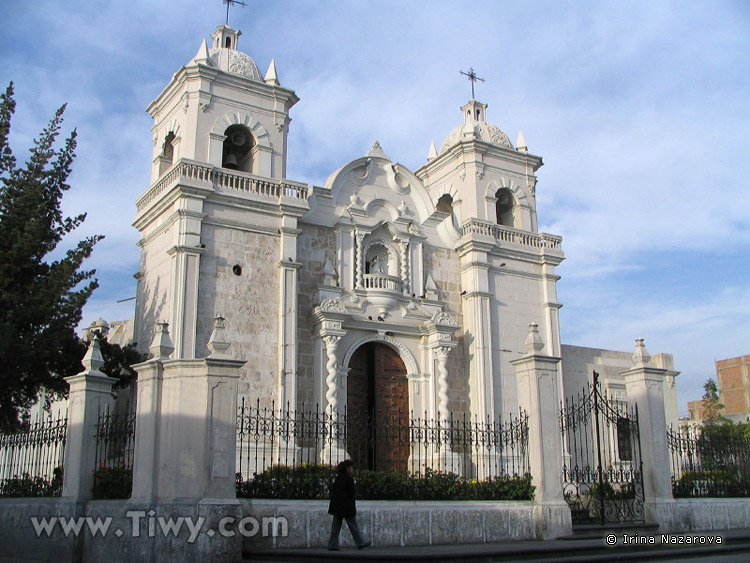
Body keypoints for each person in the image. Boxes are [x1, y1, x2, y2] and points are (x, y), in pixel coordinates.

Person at [327, 459, 371, 551]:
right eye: (351, 468)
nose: (352, 469)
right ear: (347, 469)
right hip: (346, 506)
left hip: (337, 505)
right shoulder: (348, 479)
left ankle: (332, 544)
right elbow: (352, 492)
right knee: (353, 525)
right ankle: (360, 542)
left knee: (336, 525)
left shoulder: (338, 478)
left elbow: (333, 491)